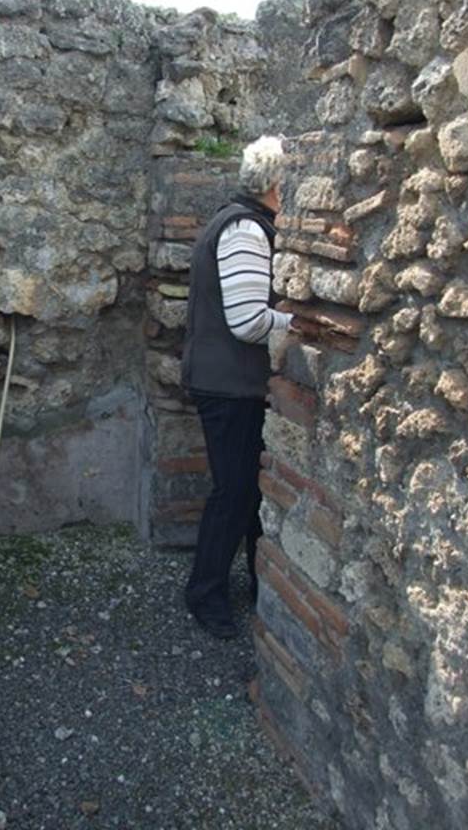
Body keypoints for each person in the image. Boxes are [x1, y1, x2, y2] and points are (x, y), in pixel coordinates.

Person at [180, 134, 298, 639]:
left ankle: (256, 582)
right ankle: (204, 594)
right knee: (234, 493)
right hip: (229, 385)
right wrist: (302, 322)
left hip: (231, 382)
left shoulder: (242, 221)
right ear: (274, 182)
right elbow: (249, 321)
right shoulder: (247, 230)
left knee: (247, 491)